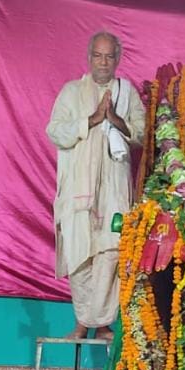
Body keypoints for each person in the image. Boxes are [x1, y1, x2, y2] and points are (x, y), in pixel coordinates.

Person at [47, 31, 145, 339]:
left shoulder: (126, 93)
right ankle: (83, 321)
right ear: (89, 58)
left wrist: (115, 119)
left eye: (109, 56)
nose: (103, 62)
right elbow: (55, 131)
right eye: (98, 56)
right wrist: (91, 119)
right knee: (80, 252)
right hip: (78, 189)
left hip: (114, 187)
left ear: (118, 59)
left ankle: (101, 323)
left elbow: (142, 133)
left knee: (110, 252)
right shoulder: (71, 92)